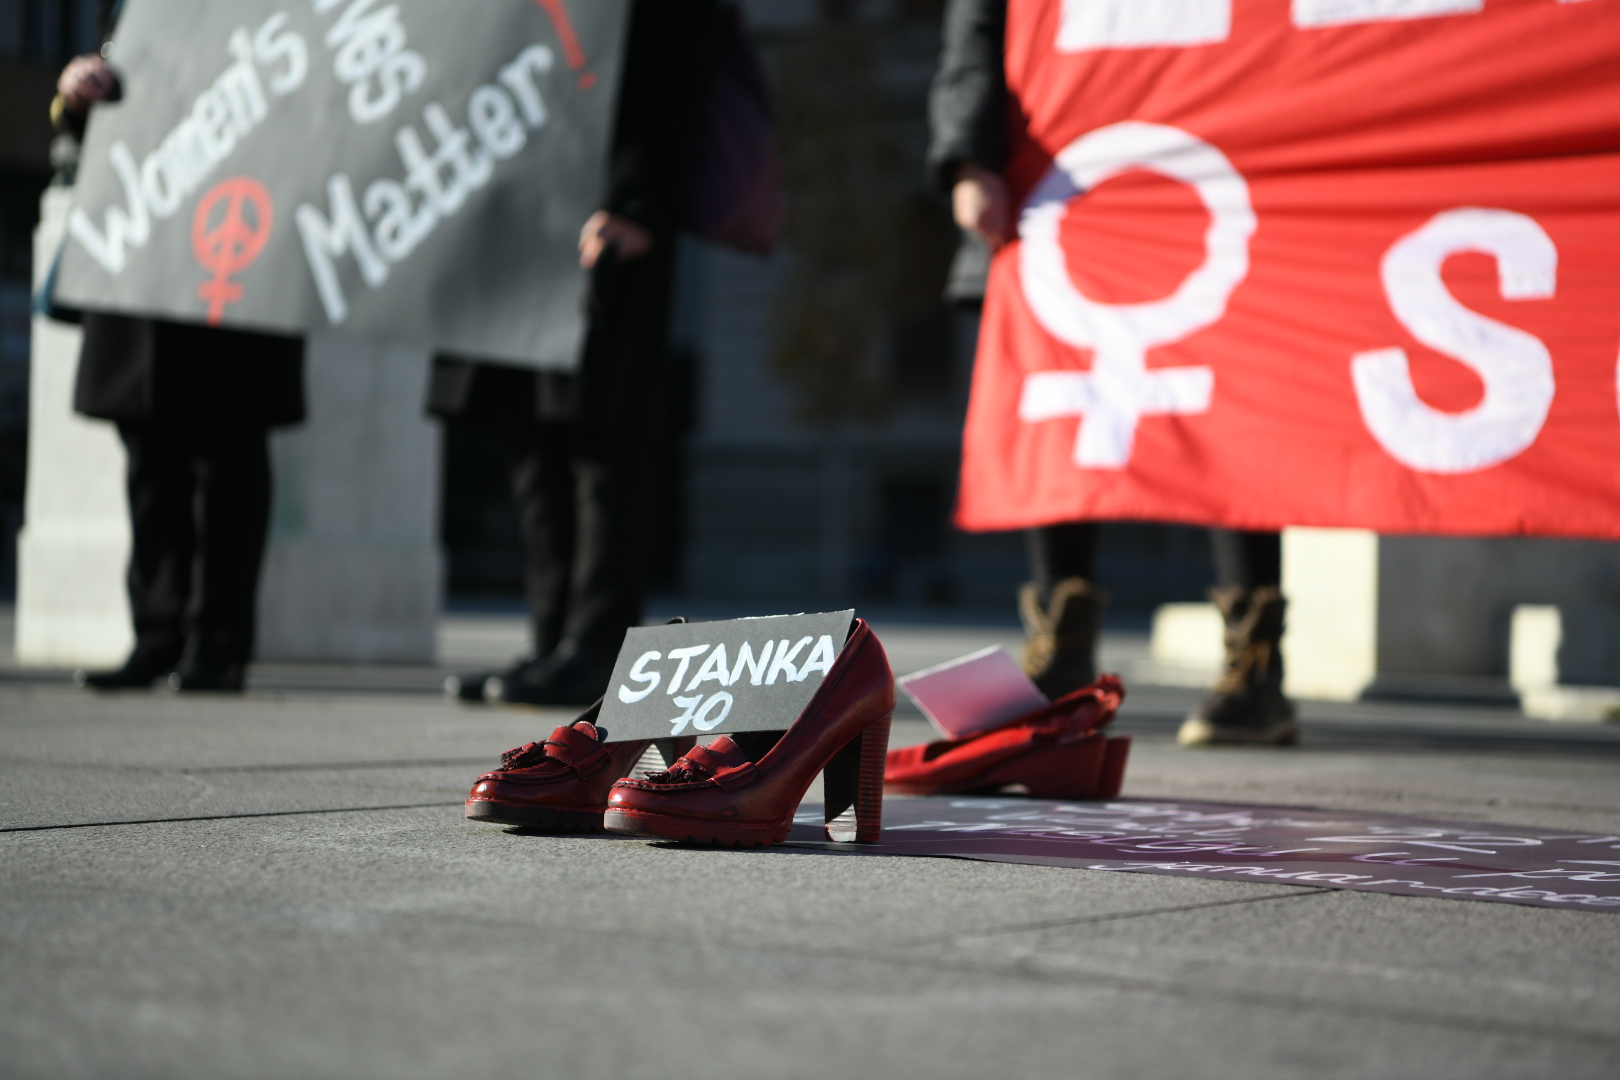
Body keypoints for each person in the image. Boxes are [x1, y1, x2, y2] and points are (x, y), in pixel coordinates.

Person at [927, 0, 1296, 746]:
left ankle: (1254, 665)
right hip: (1061, 177)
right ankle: (1063, 658)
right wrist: (968, 157)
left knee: (1236, 397)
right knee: (1062, 399)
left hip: (1213, 154)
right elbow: (979, 29)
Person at [434, 0, 723, 707]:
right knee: (529, 434)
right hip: (520, 219)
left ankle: (597, 649)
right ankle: (550, 641)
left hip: (609, 219)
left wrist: (639, 199)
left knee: (602, 438)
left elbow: (678, 60)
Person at [57, 4, 305, 693]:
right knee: (150, 453)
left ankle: (217, 645)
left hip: (237, 249)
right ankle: (158, 634)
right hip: (146, 245)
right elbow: (102, 128)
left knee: (228, 459)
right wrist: (79, 95)